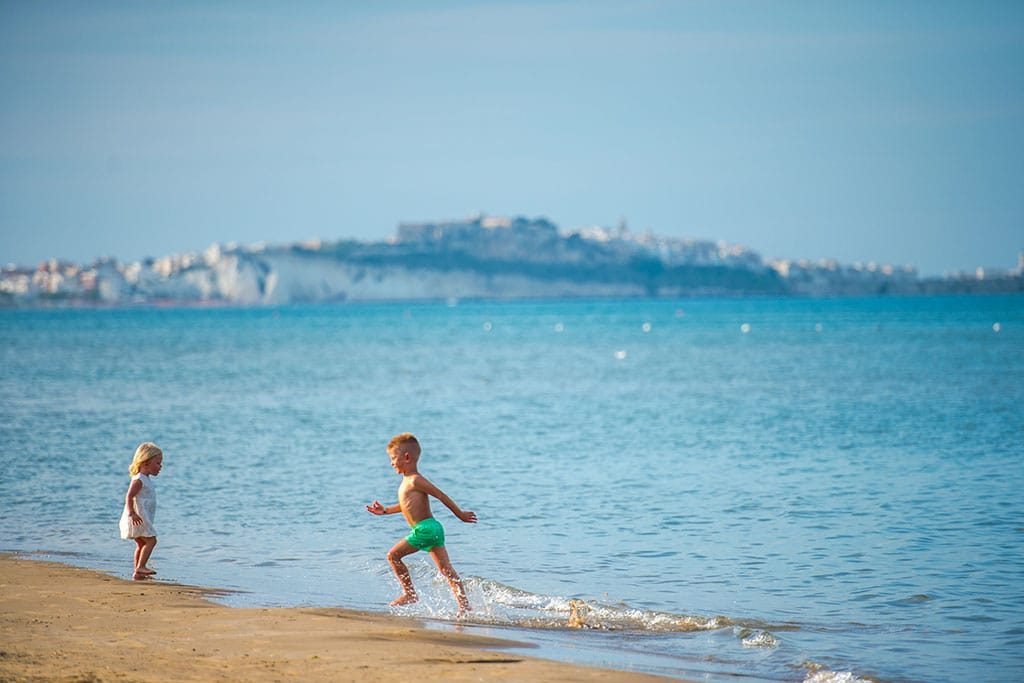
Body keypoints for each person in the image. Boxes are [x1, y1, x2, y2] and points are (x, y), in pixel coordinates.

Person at [366, 433, 477, 614]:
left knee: (393, 556)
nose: (391, 463)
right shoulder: (406, 482)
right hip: (433, 528)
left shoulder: (416, 480)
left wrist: (460, 514)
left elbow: (440, 495)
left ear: (407, 457)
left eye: (394, 458)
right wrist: (385, 510)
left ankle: (409, 594)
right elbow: (406, 506)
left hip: (424, 528)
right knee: (447, 570)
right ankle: (464, 605)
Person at [118, 442, 164, 580]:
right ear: (145, 463)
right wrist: (132, 512)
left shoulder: (145, 479)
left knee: (141, 543)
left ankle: (138, 571)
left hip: (141, 517)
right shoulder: (138, 480)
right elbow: (129, 496)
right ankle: (141, 567)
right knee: (151, 540)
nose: (160, 466)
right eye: (157, 463)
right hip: (138, 516)